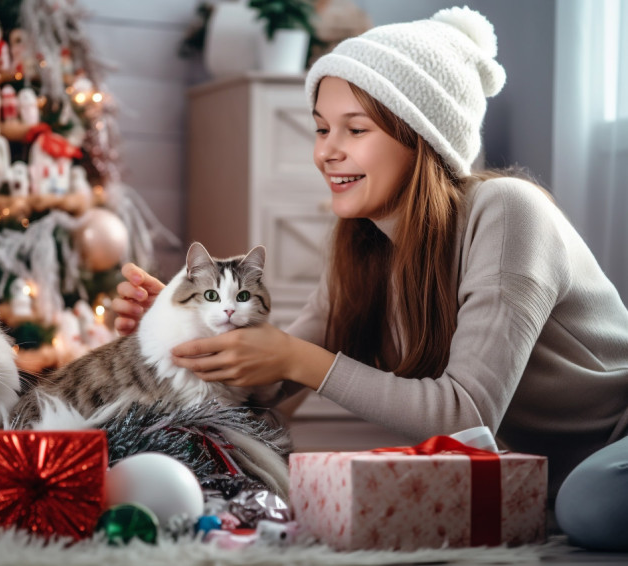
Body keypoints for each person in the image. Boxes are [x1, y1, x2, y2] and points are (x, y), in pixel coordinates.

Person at [113, 7, 628, 550]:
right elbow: (267, 392)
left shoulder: (508, 212)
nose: (325, 151)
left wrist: (296, 358)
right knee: (575, 502)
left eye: (355, 129)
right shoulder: (361, 247)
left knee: (587, 504)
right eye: (320, 128)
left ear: (422, 137)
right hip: (558, 473)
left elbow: (466, 416)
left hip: (616, 440)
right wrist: (179, 334)